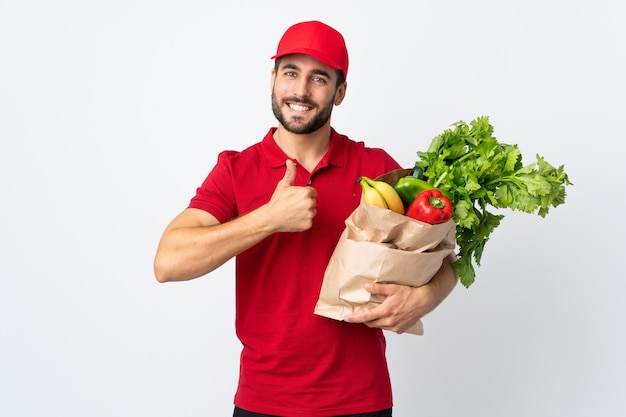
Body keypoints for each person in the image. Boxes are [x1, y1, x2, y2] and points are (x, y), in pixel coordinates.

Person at [154, 20, 457, 417]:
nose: (300, 90)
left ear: (340, 91)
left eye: (318, 78)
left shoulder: (379, 169)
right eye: (290, 73)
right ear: (273, 79)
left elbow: (445, 259)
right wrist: (268, 218)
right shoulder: (236, 170)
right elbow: (167, 263)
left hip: (360, 402)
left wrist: (426, 296)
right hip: (263, 402)